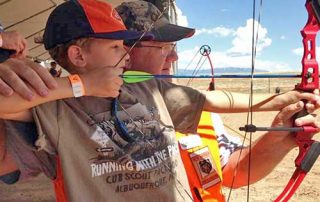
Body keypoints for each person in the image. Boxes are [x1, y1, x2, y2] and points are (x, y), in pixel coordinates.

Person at [0, 1, 319, 201]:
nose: (125, 52)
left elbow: (214, 103)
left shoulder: (150, 89)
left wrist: (281, 102)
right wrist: (78, 86)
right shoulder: (55, 105)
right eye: (118, 46)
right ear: (78, 55)